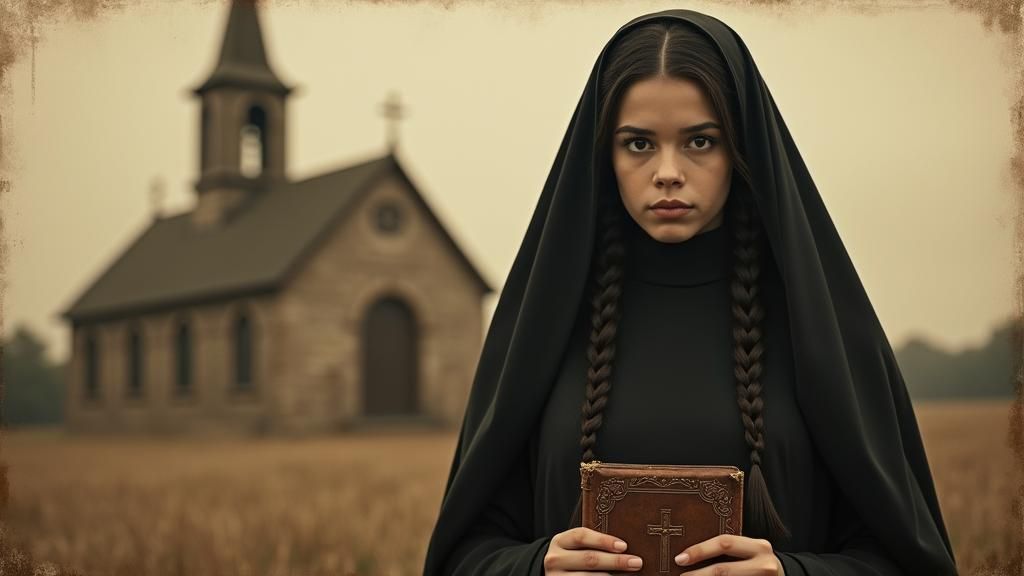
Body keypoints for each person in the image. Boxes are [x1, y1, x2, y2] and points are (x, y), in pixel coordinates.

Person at [422, 8, 958, 576]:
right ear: (603, 155)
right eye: (638, 144)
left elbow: (908, 561)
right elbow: (462, 555)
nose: (668, 171)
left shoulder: (820, 329)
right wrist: (536, 567)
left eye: (701, 141)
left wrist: (790, 574)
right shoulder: (543, 328)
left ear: (742, 150)